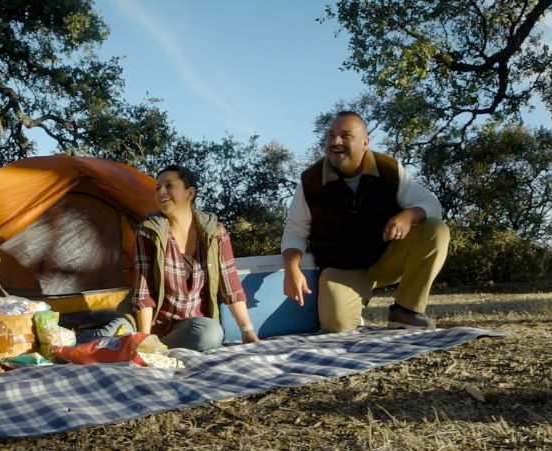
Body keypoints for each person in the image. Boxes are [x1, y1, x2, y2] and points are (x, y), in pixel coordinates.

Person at [281, 111, 450, 332]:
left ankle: (405, 311)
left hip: (387, 257)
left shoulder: (389, 169)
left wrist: (409, 216)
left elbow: (431, 203)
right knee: (337, 327)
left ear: (365, 143)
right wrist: (291, 267)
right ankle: (352, 307)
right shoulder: (310, 182)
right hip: (342, 268)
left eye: (345, 136)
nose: (336, 142)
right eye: (331, 136)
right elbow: (295, 231)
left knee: (436, 229)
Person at [77, 165, 259, 350]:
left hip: (188, 326)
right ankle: (63, 342)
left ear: (190, 193)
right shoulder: (149, 231)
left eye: (169, 185)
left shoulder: (215, 232)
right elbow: (144, 292)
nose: (161, 192)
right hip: (146, 321)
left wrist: (247, 331)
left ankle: (149, 347)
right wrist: (145, 338)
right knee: (97, 343)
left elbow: (231, 286)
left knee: (211, 334)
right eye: (157, 188)